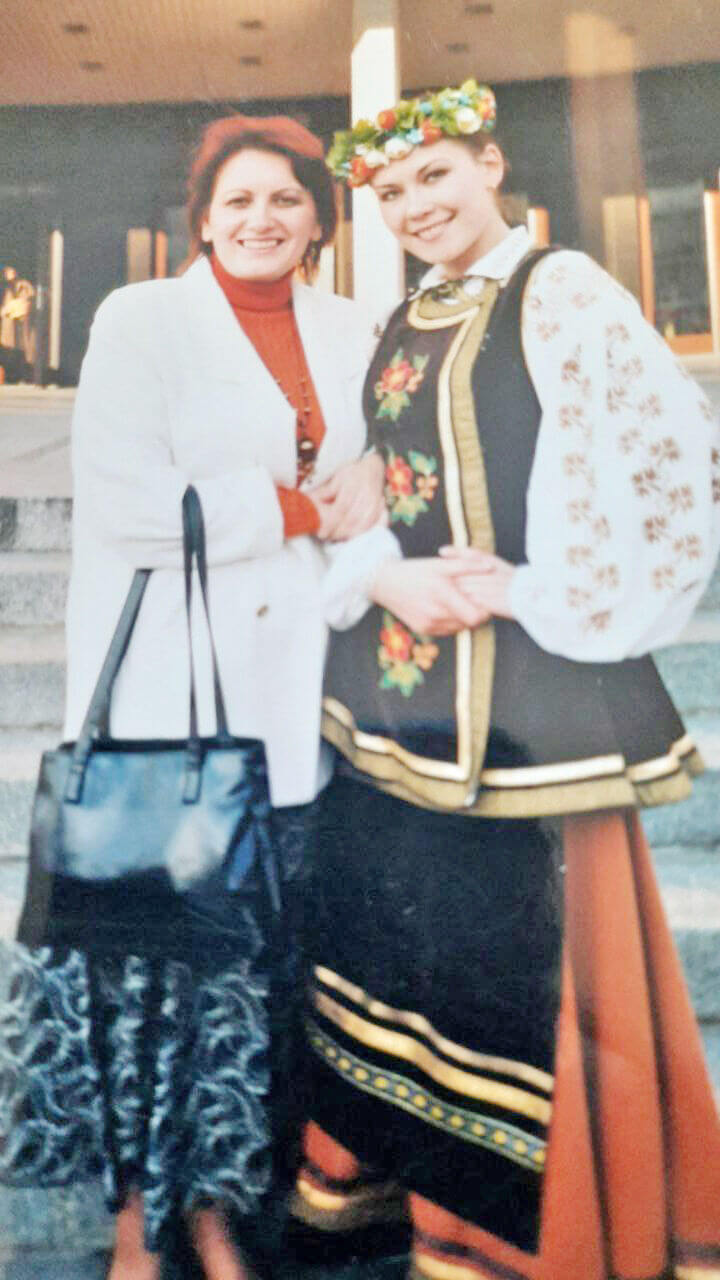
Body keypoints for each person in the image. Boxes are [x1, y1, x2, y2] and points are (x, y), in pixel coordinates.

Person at [291, 82, 720, 1280]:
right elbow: (380, 484)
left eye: (435, 174)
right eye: (390, 192)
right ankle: (420, 1207)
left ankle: (551, 1234)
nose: (415, 205)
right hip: (402, 695)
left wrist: (535, 589)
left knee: (531, 972)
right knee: (411, 960)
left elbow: (670, 460)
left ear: (490, 163)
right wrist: (383, 566)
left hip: (534, 702)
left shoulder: (564, 289)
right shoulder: (403, 315)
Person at [0, 115, 389, 1280]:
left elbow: (393, 464)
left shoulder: (354, 327)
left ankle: (222, 1212)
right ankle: (139, 1222)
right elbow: (128, 501)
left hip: (297, 696)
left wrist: (374, 477)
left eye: (286, 199)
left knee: (252, 982)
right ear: (205, 216)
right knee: (145, 980)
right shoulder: (142, 319)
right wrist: (303, 504)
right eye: (238, 200)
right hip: (165, 704)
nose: (261, 218)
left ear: (320, 219)